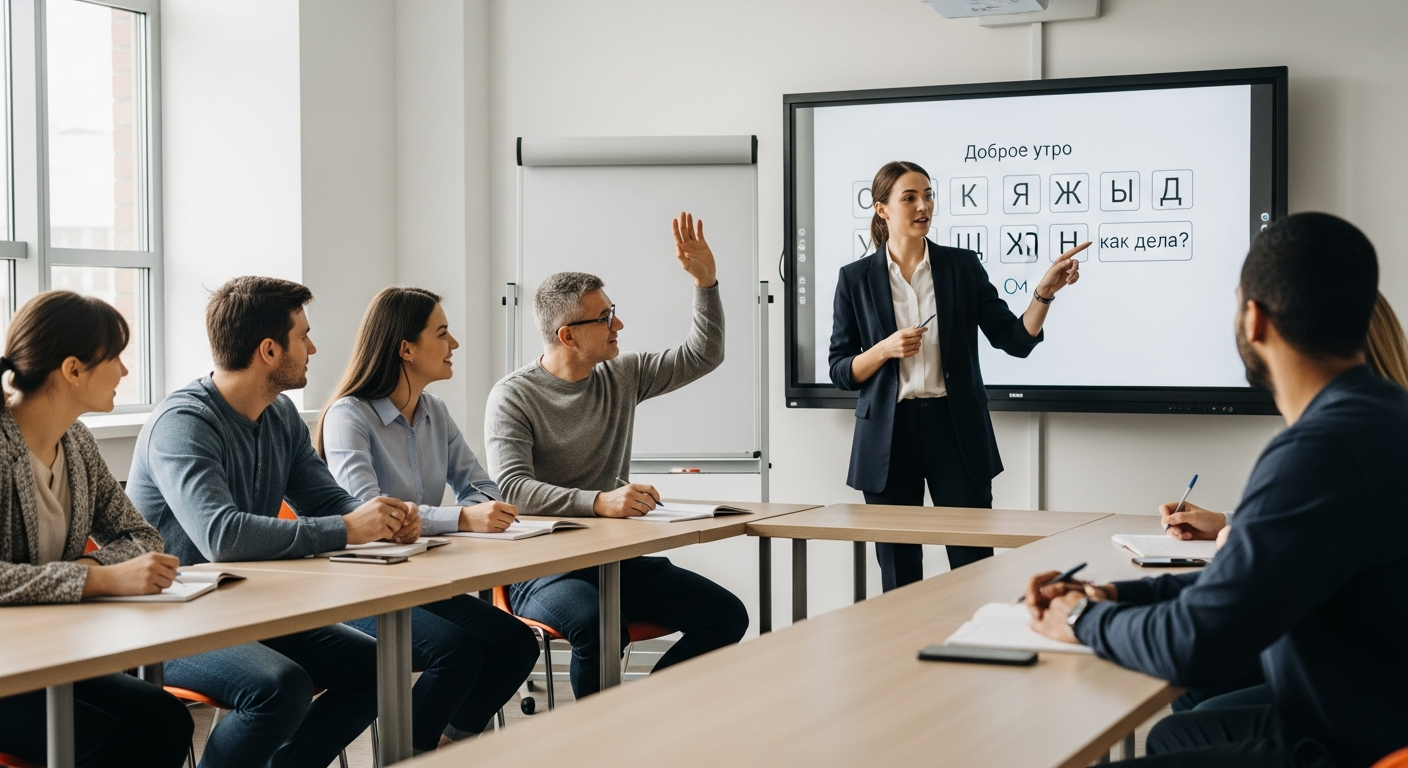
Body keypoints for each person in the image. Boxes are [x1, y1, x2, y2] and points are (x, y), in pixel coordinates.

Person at [1025, 212, 1408, 767]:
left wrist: (1082, 622)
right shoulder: (1384, 416)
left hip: (1349, 746)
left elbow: (1198, 644)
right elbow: (1239, 587)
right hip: (1372, 710)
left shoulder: (1319, 451)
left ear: (1254, 320)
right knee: (1175, 737)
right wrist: (1109, 596)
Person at [127, 277, 415, 768]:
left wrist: (385, 519)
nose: (313, 347)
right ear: (268, 350)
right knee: (279, 687)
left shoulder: (279, 413)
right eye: (303, 336)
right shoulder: (183, 422)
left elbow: (329, 502)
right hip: (168, 620)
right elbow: (224, 537)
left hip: (248, 609)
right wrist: (350, 529)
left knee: (379, 667)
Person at [485, 212, 749, 699]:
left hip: (616, 559)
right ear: (567, 335)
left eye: (613, 311)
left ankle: (643, 716)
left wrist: (706, 283)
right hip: (542, 566)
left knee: (726, 615)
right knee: (600, 626)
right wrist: (600, 501)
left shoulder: (621, 375)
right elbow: (513, 491)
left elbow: (704, 355)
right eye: (604, 318)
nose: (618, 324)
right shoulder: (513, 396)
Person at [829, 161, 1085, 591]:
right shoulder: (854, 279)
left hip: (955, 429)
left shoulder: (961, 267)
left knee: (972, 565)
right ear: (882, 209)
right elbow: (840, 370)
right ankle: (902, 656)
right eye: (909, 197)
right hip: (888, 436)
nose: (922, 205)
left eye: (927, 195)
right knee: (898, 572)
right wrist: (884, 349)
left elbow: (1014, 339)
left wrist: (1044, 293)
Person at [317, 286, 538, 747]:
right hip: (364, 589)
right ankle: (409, 752)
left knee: (516, 644)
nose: (454, 344)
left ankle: (444, 747)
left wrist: (474, 509)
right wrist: (460, 518)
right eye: (442, 333)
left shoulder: (435, 410)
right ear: (406, 349)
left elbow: (480, 487)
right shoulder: (348, 416)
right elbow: (366, 509)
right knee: (457, 653)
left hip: (424, 581)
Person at [0, 291, 192, 768]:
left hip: (48, 652)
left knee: (165, 720)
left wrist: (86, 565)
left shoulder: (77, 441)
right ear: (72, 369)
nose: (125, 372)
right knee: (98, 742)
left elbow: (141, 536)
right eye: (117, 357)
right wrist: (99, 578)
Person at [1162, 290, 1408, 544]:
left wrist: (1234, 541)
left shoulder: (1333, 446)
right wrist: (1225, 523)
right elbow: (1321, 520)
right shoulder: (1389, 426)